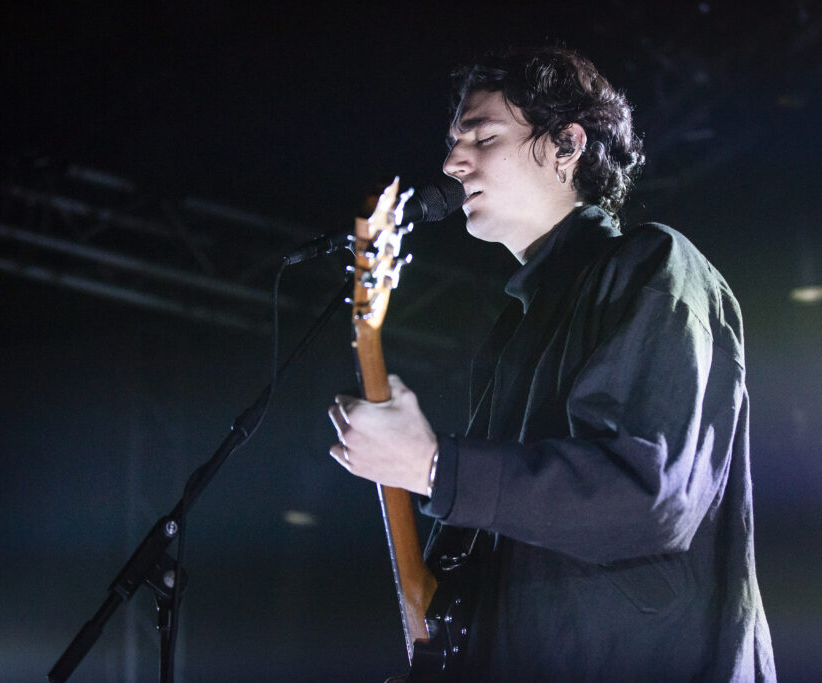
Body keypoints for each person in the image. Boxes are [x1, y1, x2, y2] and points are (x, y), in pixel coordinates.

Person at [327, 47, 776, 682]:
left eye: (482, 136)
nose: (453, 163)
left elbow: (649, 493)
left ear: (566, 144)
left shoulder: (655, 267)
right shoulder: (515, 332)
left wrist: (434, 466)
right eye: (455, 142)